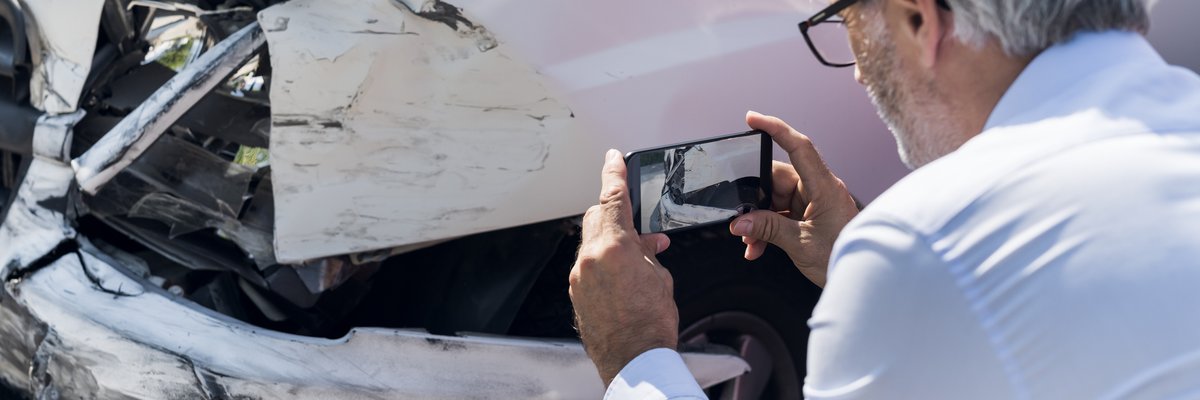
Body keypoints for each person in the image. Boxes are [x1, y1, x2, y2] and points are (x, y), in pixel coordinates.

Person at [568, 0, 1200, 398]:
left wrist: (635, 352)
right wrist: (854, 265)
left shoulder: (925, 245)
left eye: (847, 26)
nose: (859, 71)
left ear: (919, 19)